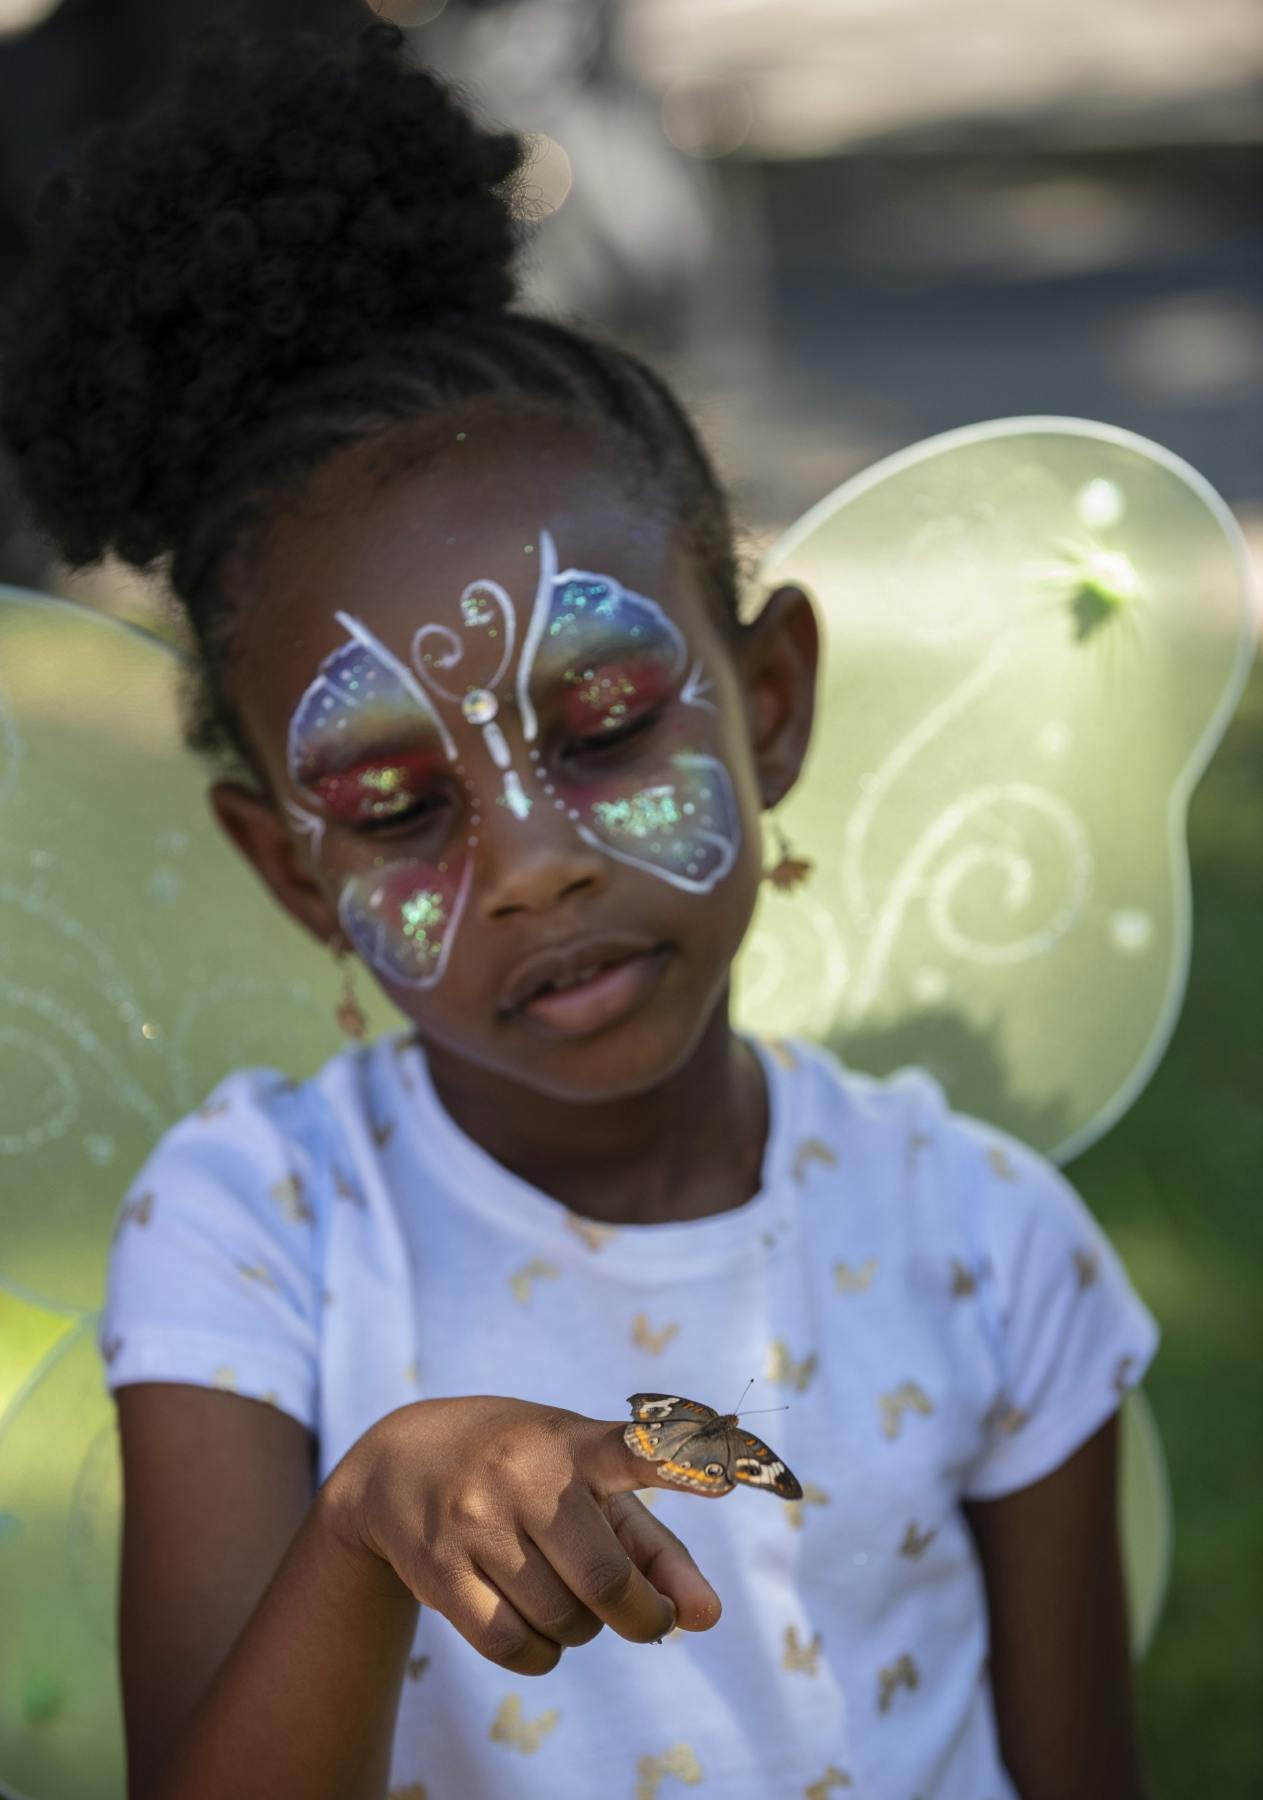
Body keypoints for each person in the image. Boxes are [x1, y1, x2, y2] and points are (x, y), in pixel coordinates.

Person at [0, 23, 1159, 1800]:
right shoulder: (261, 1240)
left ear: (767, 706)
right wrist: (367, 1519)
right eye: (396, 807)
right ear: (291, 869)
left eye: (608, 728)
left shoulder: (990, 1247)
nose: (533, 859)